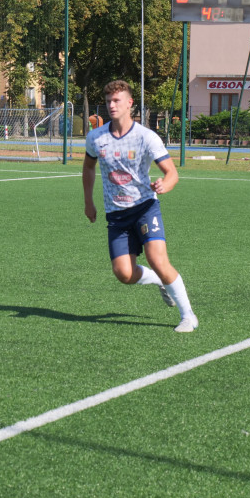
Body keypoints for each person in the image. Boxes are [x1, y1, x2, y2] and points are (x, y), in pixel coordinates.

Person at [82, 79, 198, 332]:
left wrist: (166, 184)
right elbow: (88, 167)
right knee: (124, 274)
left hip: (145, 208)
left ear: (129, 103)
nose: (111, 105)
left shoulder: (146, 137)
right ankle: (158, 280)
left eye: (116, 101)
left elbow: (172, 173)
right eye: (108, 101)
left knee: (158, 259)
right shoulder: (96, 137)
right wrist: (88, 201)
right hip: (116, 215)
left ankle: (188, 315)